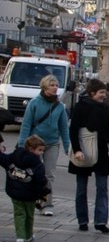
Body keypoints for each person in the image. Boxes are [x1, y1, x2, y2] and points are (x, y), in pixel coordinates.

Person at [17, 74, 70, 217]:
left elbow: (64, 128)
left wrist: (67, 147)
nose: (55, 88)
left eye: (56, 85)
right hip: (34, 144)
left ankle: (46, 204)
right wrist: (22, 145)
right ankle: (30, 200)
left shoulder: (59, 106)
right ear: (45, 87)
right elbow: (26, 124)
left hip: (52, 143)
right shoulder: (34, 103)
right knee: (32, 173)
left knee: (49, 175)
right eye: (52, 85)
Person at [68, 79, 109, 233]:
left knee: (102, 187)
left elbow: (107, 131)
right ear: (92, 93)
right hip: (84, 150)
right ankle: (82, 220)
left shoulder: (105, 108)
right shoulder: (81, 106)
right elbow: (73, 130)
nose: (103, 96)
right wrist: (77, 150)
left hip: (101, 151)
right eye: (101, 93)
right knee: (81, 188)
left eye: (104, 93)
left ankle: (100, 221)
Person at [0, 135, 50, 242]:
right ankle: (28, 235)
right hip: (30, 195)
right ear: (31, 149)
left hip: (15, 193)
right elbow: (41, 181)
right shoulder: (38, 164)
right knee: (29, 215)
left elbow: (3, 159)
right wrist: (41, 194)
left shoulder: (13, 157)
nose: (42, 153)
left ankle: (20, 236)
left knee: (19, 214)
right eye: (40, 150)